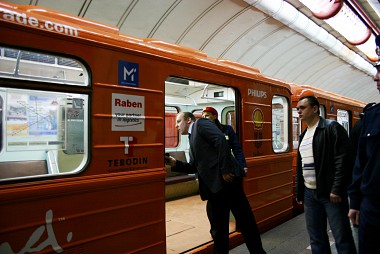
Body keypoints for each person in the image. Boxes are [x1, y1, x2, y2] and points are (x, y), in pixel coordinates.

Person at [165, 112, 266, 254]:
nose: (176, 125)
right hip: (215, 188)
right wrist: (175, 164)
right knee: (218, 229)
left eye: (178, 121)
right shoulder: (192, 138)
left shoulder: (200, 124)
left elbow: (220, 139)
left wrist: (225, 170)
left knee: (245, 222)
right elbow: (194, 166)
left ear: (188, 120)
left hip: (228, 182)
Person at [295, 95, 357, 254]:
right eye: (297, 109)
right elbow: (301, 167)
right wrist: (300, 191)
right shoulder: (303, 135)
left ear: (315, 109)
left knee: (341, 236)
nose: (299, 111)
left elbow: (343, 160)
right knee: (316, 237)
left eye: (302, 108)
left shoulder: (331, 128)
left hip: (330, 192)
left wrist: (337, 189)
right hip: (310, 193)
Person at [347, 35, 380, 254]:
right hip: (373, 209)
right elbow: (361, 162)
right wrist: (355, 201)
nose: (376, 77)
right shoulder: (372, 116)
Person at [201, 106, 247, 171]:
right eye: (203, 117)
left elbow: (236, 148)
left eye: (207, 116)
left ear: (215, 116)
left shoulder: (227, 129)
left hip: (226, 163)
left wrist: (242, 165)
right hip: (210, 167)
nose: (204, 118)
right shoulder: (202, 132)